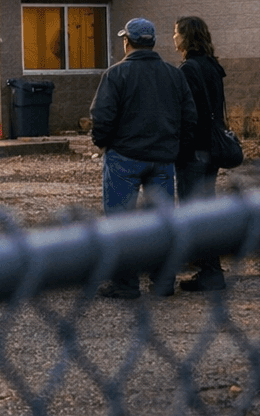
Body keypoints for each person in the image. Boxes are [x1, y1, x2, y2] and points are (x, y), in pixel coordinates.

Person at [88, 17, 197, 299]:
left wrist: (103, 142)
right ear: (153, 42)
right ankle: (163, 282)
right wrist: (176, 149)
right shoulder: (174, 75)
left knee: (121, 222)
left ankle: (125, 283)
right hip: (162, 159)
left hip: (124, 157)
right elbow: (189, 117)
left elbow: (102, 117)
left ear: (127, 41)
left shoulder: (115, 74)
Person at [174, 15, 229, 292]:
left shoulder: (187, 69)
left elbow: (187, 115)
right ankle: (209, 267)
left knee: (194, 211)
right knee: (207, 208)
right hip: (213, 149)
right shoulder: (213, 66)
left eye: (176, 33)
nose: (174, 38)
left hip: (194, 150)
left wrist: (180, 148)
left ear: (187, 37)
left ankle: (209, 271)